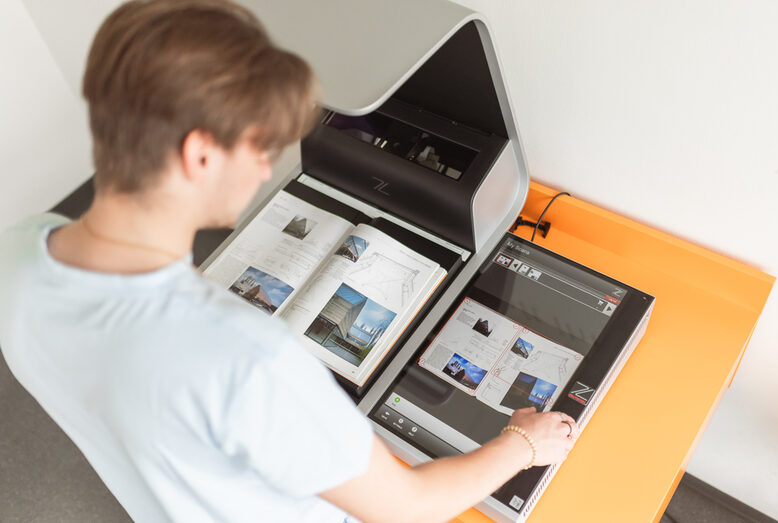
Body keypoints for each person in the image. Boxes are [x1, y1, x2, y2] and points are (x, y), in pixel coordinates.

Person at [0, 1, 577, 521]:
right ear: (200, 154)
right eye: (261, 146)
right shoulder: (252, 363)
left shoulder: (22, 245)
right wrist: (522, 443)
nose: (265, 168)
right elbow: (408, 507)